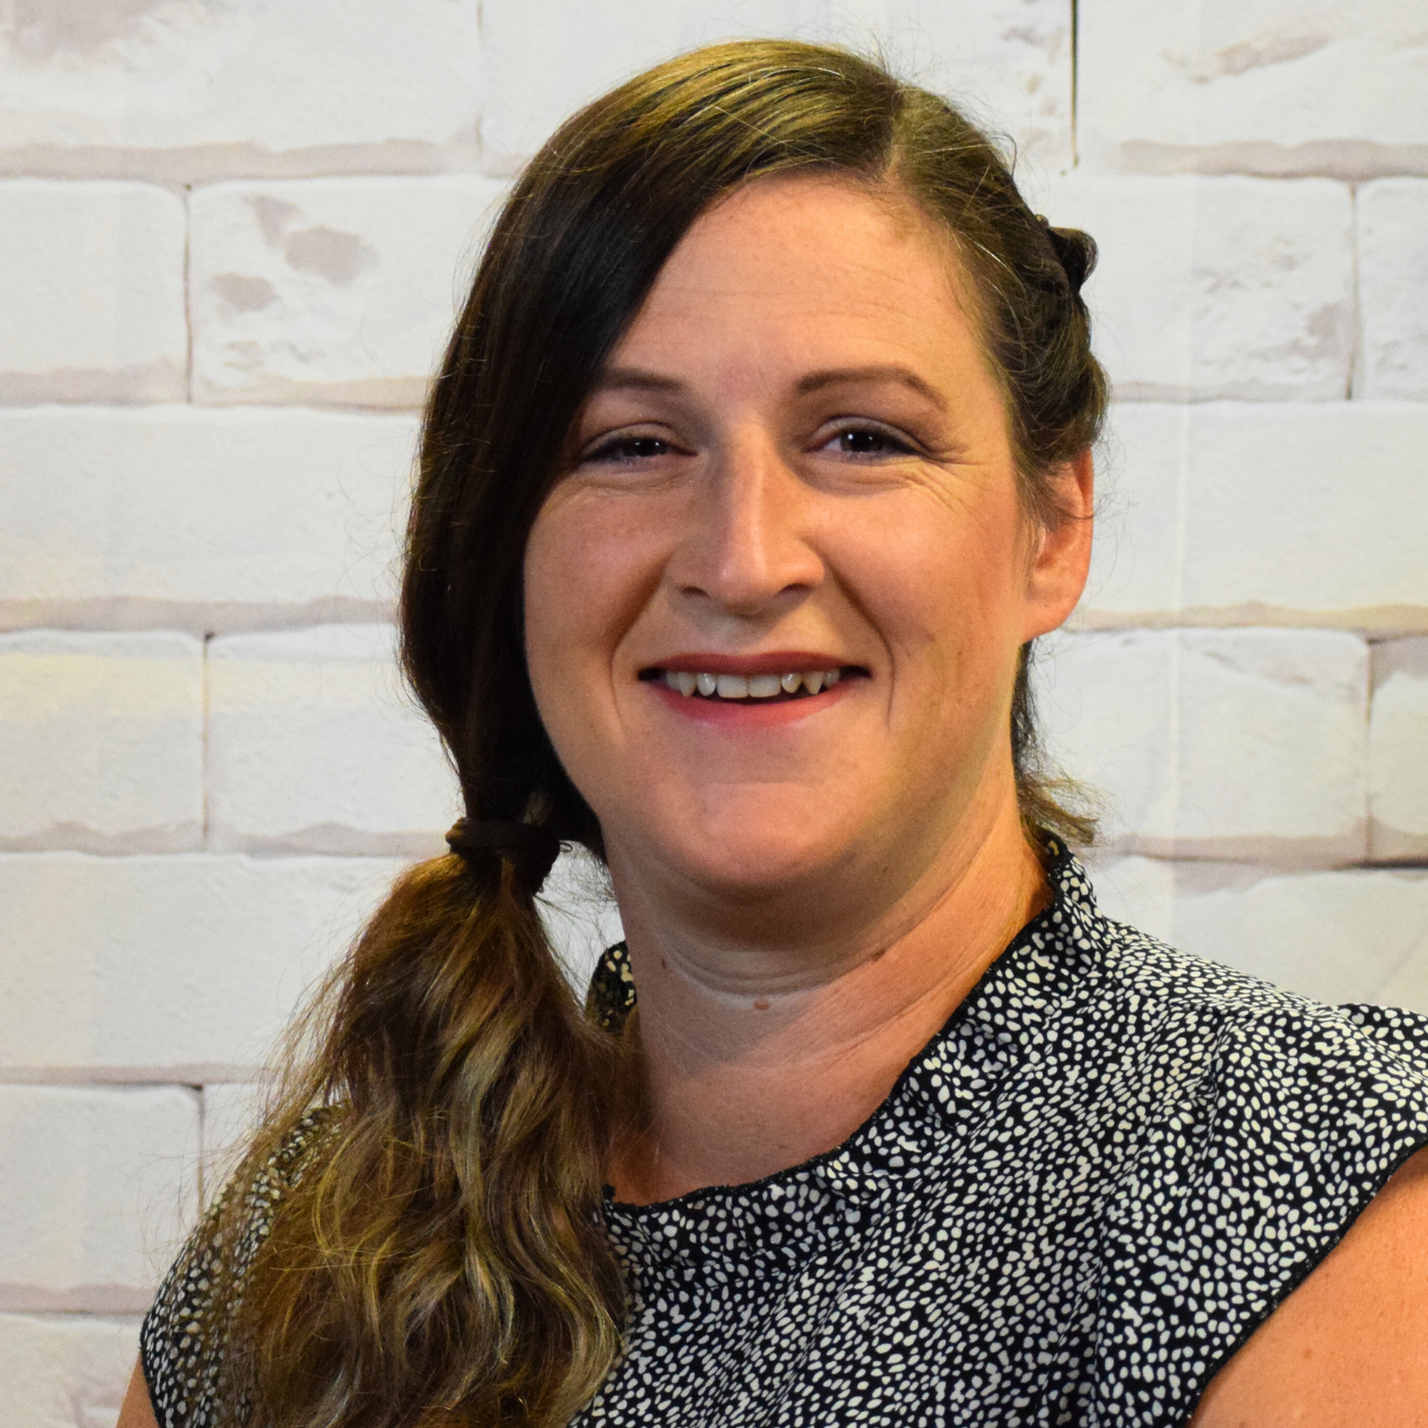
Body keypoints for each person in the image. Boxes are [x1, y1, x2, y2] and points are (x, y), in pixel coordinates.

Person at [120, 39, 1428, 1428]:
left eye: (862, 437)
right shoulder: (305, 1253)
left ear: (1054, 525)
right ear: (503, 543)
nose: (742, 562)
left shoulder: (1310, 1205)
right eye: (629, 445)